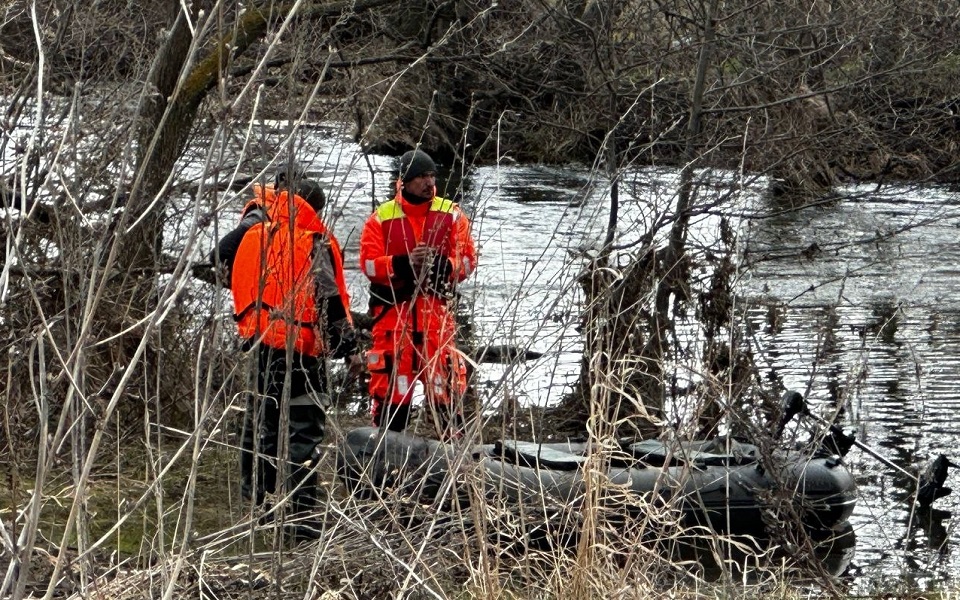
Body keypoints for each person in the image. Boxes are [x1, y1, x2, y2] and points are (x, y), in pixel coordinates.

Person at [212, 164, 360, 529]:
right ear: (314, 209)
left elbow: (220, 260)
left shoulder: (254, 233)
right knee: (303, 431)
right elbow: (329, 298)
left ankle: (257, 503)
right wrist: (348, 345)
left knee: (262, 423)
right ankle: (302, 516)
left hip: (259, 342)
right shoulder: (312, 241)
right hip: (301, 349)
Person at [359, 149, 477, 437]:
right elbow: (369, 265)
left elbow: (467, 261)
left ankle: (452, 459)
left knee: (446, 397)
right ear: (405, 181)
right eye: (422, 176)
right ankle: (386, 458)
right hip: (393, 322)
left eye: (432, 176)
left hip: (436, 320)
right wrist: (404, 263)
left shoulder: (451, 214)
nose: (429, 182)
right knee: (391, 402)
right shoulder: (381, 218)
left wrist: (443, 265)